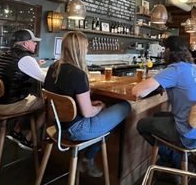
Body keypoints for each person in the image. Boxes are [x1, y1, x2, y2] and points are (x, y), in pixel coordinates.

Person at [44, 31, 131, 177]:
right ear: (79, 50)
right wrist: (100, 106)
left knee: (104, 113)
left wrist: (91, 104)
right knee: (125, 107)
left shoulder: (54, 67)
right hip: (76, 131)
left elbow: (67, 98)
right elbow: (88, 113)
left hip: (58, 127)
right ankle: (88, 158)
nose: (87, 50)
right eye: (86, 47)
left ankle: (88, 157)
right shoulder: (78, 74)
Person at [132, 36, 196, 168]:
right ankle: (172, 161)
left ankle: (176, 160)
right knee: (158, 116)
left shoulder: (175, 69)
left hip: (189, 136)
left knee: (142, 124)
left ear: (168, 50)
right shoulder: (193, 68)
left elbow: (137, 91)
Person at [0, 29, 46, 150]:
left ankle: (16, 131)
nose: (36, 44)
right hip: (9, 105)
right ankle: (28, 139)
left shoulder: (4, 55)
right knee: (47, 104)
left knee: (30, 97)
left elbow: (15, 70)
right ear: (25, 44)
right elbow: (44, 79)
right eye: (33, 41)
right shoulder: (25, 58)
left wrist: (35, 64)